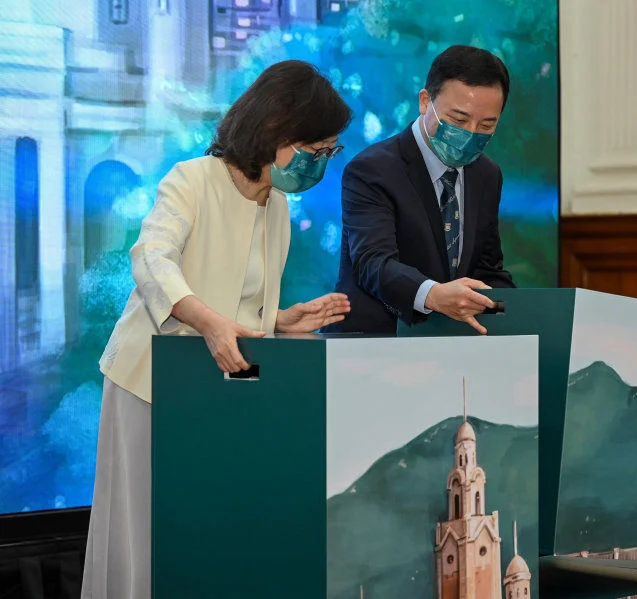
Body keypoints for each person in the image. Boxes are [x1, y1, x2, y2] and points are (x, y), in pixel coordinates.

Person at [80, 60, 352, 599]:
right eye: (314, 149)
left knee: (204, 530)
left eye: (329, 152)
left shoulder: (275, 207)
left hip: (216, 391)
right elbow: (153, 258)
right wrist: (204, 320)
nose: (320, 163)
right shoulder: (193, 179)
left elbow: (234, 299)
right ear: (275, 131)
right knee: (144, 530)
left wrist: (278, 319)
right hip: (151, 382)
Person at [326, 45, 516, 336]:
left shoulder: (487, 174)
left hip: (451, 348)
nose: (470, 134)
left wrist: (516, 308)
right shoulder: (372, 169)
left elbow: (487, 268)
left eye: (486, 125)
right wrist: (433, 295)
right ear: (425, 101)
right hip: (376, 345)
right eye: (459, 120)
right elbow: (373, 263)